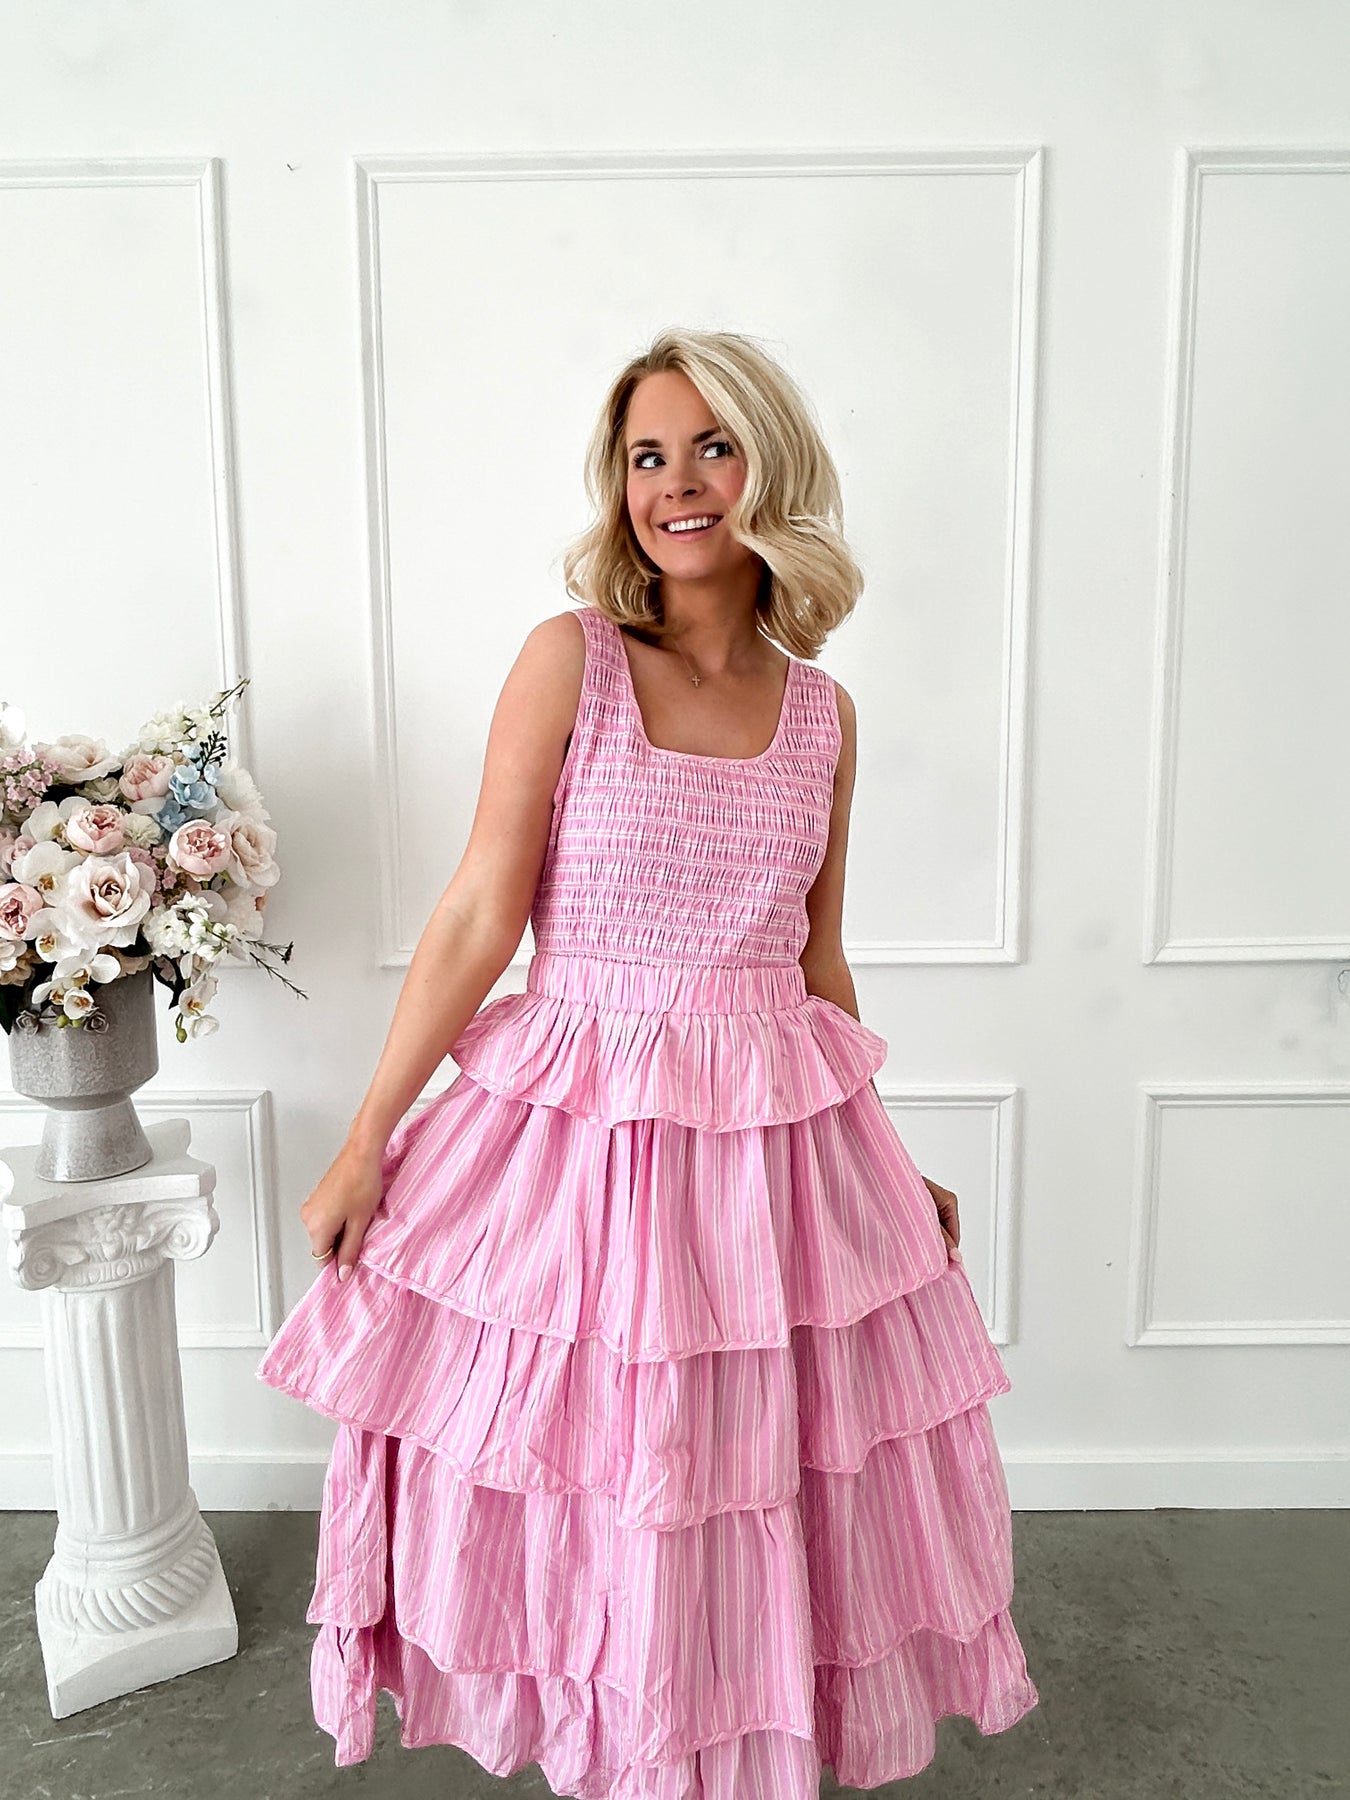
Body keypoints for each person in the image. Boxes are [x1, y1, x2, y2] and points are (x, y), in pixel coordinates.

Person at [255, 326, 1040, 1792]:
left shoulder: (823, 716)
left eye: (711, 447)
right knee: (600, 1473)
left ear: (770, 468)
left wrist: (884, 1162)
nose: (676, 483)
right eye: (645, 456)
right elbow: (479, 913)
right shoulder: (571, 662)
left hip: (763, 1159)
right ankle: (614, 1745)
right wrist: (367, 1139)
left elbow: (815, 970)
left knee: (746, 1479)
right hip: (582, 1141)